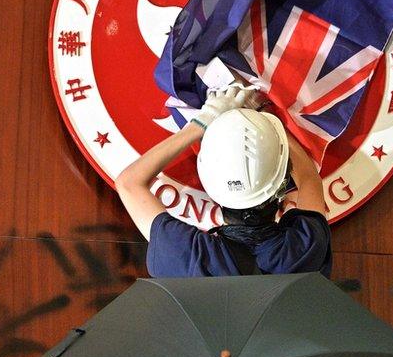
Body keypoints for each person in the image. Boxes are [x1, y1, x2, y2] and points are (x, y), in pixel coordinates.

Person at [114, 85, 332, 277]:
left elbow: (129, 182)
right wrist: (264, 116)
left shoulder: (189, 257)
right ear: (280, 186)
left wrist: (201, 122)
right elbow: (309, 177)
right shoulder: (305, 247)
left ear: (209, 185)